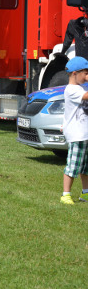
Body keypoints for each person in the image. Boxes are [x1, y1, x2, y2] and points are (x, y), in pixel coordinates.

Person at [60, 56, 88, 205]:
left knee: (85, 166)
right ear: (75, 73)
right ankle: (66, 194)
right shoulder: (71, 90)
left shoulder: (82, 86)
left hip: (85, 133)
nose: (87, 77)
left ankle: (85, 193)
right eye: (86, 73)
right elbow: (86, 96)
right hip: (77, 135)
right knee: (73, 165)